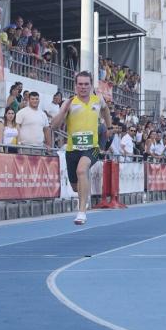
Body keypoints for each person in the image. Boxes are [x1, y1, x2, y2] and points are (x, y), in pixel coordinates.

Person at [51, 71, 112, 225]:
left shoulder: (98, 100)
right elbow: (54, 126)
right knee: (75, 187)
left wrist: (109, 127)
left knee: (81, 170)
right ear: (75, 85)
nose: (83, 87)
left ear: (91, 85)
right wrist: (63, 111)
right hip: (72, 149)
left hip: (93, 147)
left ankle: (82, 212)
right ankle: (84, 196)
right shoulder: (70, 102)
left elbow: (105, 110)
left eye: (86, 84)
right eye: (80, 84)